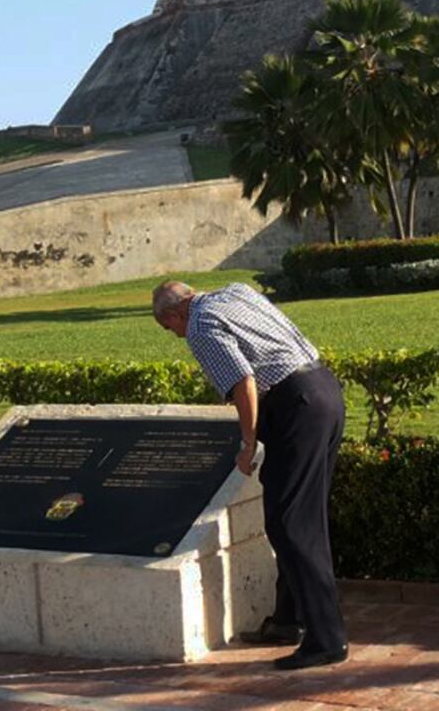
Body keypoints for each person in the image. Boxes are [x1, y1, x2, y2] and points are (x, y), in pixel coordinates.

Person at [152, 280, 348, 670]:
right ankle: (288, 622)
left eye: (169, 329)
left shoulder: (201, 326)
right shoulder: (236, 292)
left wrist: (247, 442)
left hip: (296, 408)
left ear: (174, 315)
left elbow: (243, 381)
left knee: (291, 525)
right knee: (298, 520)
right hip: (324, 390)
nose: (176, 336)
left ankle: (327, 639)